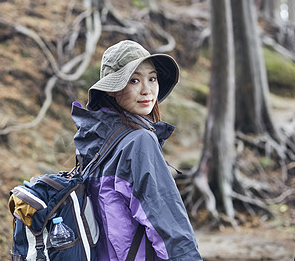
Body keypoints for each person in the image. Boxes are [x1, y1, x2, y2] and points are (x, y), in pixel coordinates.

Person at [71, 40, 202, 260]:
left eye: (152, 78)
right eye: (134, 80)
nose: (147, 90)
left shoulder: (94, 139)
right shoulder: (139, 142)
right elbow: (167, 225)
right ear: (112, 90)